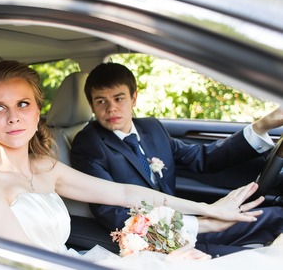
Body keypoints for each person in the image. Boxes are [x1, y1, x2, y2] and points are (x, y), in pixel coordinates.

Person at [0, 60, 277, 267]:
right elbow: (29, 263)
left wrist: (209, 209)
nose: (13, 118)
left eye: (23, 104)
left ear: (38, 111)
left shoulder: (44, 166)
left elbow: (126, 192)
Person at [70, 62, 283, 257]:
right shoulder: (89, 145)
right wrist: (198, 224)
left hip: (188, 224)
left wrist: (262, 125)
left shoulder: (151, 128)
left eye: (119, 98)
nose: (111, 108)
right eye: (101, 101)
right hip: (159, 239)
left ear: (134, 98)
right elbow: (112, 212)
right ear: (91, 105)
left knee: (276, 215)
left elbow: (202, 158)